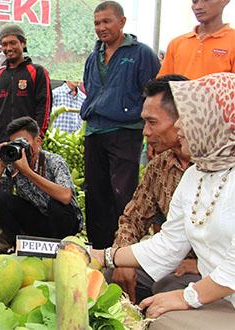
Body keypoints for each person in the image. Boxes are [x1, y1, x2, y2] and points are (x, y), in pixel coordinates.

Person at [91, 72, 235, 329]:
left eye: (189, 118)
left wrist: (187, 297)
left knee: (164, 320)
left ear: (216, 121)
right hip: (221, 295)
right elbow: (169, 244)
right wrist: (103, 256)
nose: (180, 127)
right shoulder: (195, 175)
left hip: (218, 290)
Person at [108, 75, 201, 304]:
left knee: (165, 287)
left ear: (181, 119)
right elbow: (133, 218)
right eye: (144, 122)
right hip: (166, 260)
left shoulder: (213, 166)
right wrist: (122, 256)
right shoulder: (159, 166)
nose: (145, 132)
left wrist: (202, 264)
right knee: (110, 278)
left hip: (213, 273)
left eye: (153, 122)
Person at [80, 1, 161, 248]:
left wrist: (152, 132)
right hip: (94, 130)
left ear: (122, 22)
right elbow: (89, 89)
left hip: (126, 132)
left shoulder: (141, 53)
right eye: (97, 23)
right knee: (95, 195)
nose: (101, 27)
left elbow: (153, 95)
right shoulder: (93, 57)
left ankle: (123, 249)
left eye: (107, 21)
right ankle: (98, 249)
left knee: (122, 194)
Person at [0, 116, 81, 251]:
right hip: (37, 220)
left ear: (38, 141)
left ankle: (59, 250)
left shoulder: (53, 161)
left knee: (56, 205)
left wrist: (28, 172)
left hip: (63, 222)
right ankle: (19, 246)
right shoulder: (14, 164)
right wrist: (2, 165)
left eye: (24, 142)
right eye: (15, 144)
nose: (21, 148)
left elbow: (66, 196)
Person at [0, 24, 52, 144]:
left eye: (13, 43)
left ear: (23, 44)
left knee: (26, 164)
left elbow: (44, 106)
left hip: (28, 142)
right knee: (0, 164)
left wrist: (37, 136)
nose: (9, 48)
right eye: (4, 44)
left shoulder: (37, 72)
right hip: (1, 142)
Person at [158, 0, 234, 79]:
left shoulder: (232, 41)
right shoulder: (176, 44)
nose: (198, 7)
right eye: (194, 2)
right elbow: (162, 86)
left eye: (206, 0)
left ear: (224, 1)